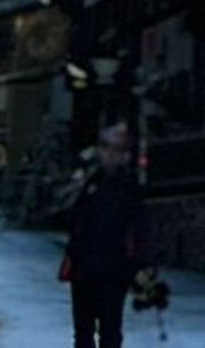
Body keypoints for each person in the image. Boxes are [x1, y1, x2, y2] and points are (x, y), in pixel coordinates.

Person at [63, 121, 155, 348]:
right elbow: (74, 220)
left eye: (116, 150)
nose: (110, 155)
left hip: (114, 268)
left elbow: (141, 228)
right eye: (107, 149)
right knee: (83, 331)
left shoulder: (128, 188)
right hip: (85, 267)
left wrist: (142, 263)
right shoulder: (90, 182)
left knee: (109, 330)